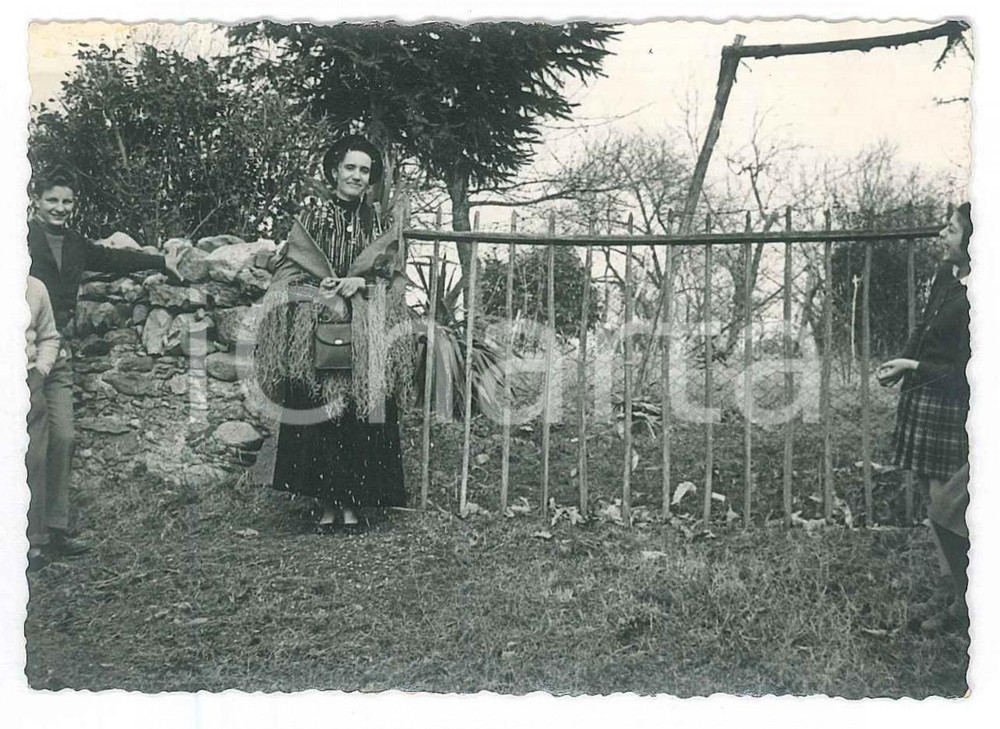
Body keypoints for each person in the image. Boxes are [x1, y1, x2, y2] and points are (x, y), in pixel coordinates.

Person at [254, 135, 413, 532]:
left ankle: (354, 504)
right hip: (316, 333)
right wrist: (317, 291)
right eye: (350, 168)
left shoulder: (378, 224)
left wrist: (361, 287)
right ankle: (326, 504)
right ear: (334, 171)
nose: (357, 177)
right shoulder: (310, 221)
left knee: (360, 414)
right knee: (319, 415)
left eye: (364, 170)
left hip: (364, 332)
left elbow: (391, 280)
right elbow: (287, 279)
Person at [27, 165, 185, 555]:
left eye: (67, 201)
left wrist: (161, 263)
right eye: (52, 200)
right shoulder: (20, 238)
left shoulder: (76, 243)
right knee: (31, 447)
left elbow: (115, 260)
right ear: (36, 201)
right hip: (23, 354)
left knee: (63, 437)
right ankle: (28, 539)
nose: (60, 208)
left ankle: (57, 530)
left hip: (58, 353)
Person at [878, 202, 972, 634]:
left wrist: (913, 368)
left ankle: (961, 598)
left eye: (951, 229)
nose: (942, 234)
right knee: (927, 490)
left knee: (946, 504)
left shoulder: (979, 293)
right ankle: (946, 585)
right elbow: (922, 329)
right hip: (923, 396)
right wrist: (902, 361)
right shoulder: (945, 277)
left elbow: (962, 372)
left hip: (950, 402)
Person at [25, 276, 60, 571]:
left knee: (33, 459)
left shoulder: (35, 288)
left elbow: (49, 336)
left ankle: (33, 544)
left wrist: (39, 373)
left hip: (27, 384)